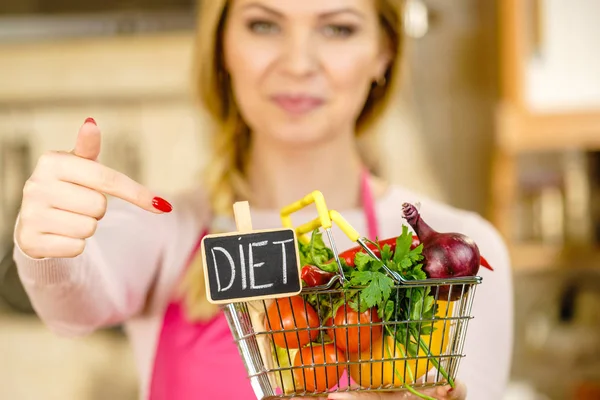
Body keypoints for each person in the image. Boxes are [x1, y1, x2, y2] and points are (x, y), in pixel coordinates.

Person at [12, 0, 513, 399]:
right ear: (222, 47)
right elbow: (69, 305)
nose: (298, 63)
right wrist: (47, 245)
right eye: (264, 25)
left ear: (384, 51)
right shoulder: (165, 230)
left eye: (337, 28)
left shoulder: (458, 255)